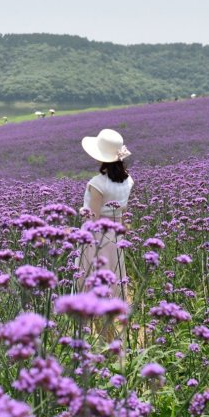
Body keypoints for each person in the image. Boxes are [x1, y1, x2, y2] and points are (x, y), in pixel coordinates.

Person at [78, 128, 133, 299]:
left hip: (97, 236)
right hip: (117, 233)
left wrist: (81, 212)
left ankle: (90, 316)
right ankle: (113, 312)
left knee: (92, 273)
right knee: (113, 272)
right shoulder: (129, 180)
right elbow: (124, 210)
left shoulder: (97, 184)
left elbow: (93, 217)